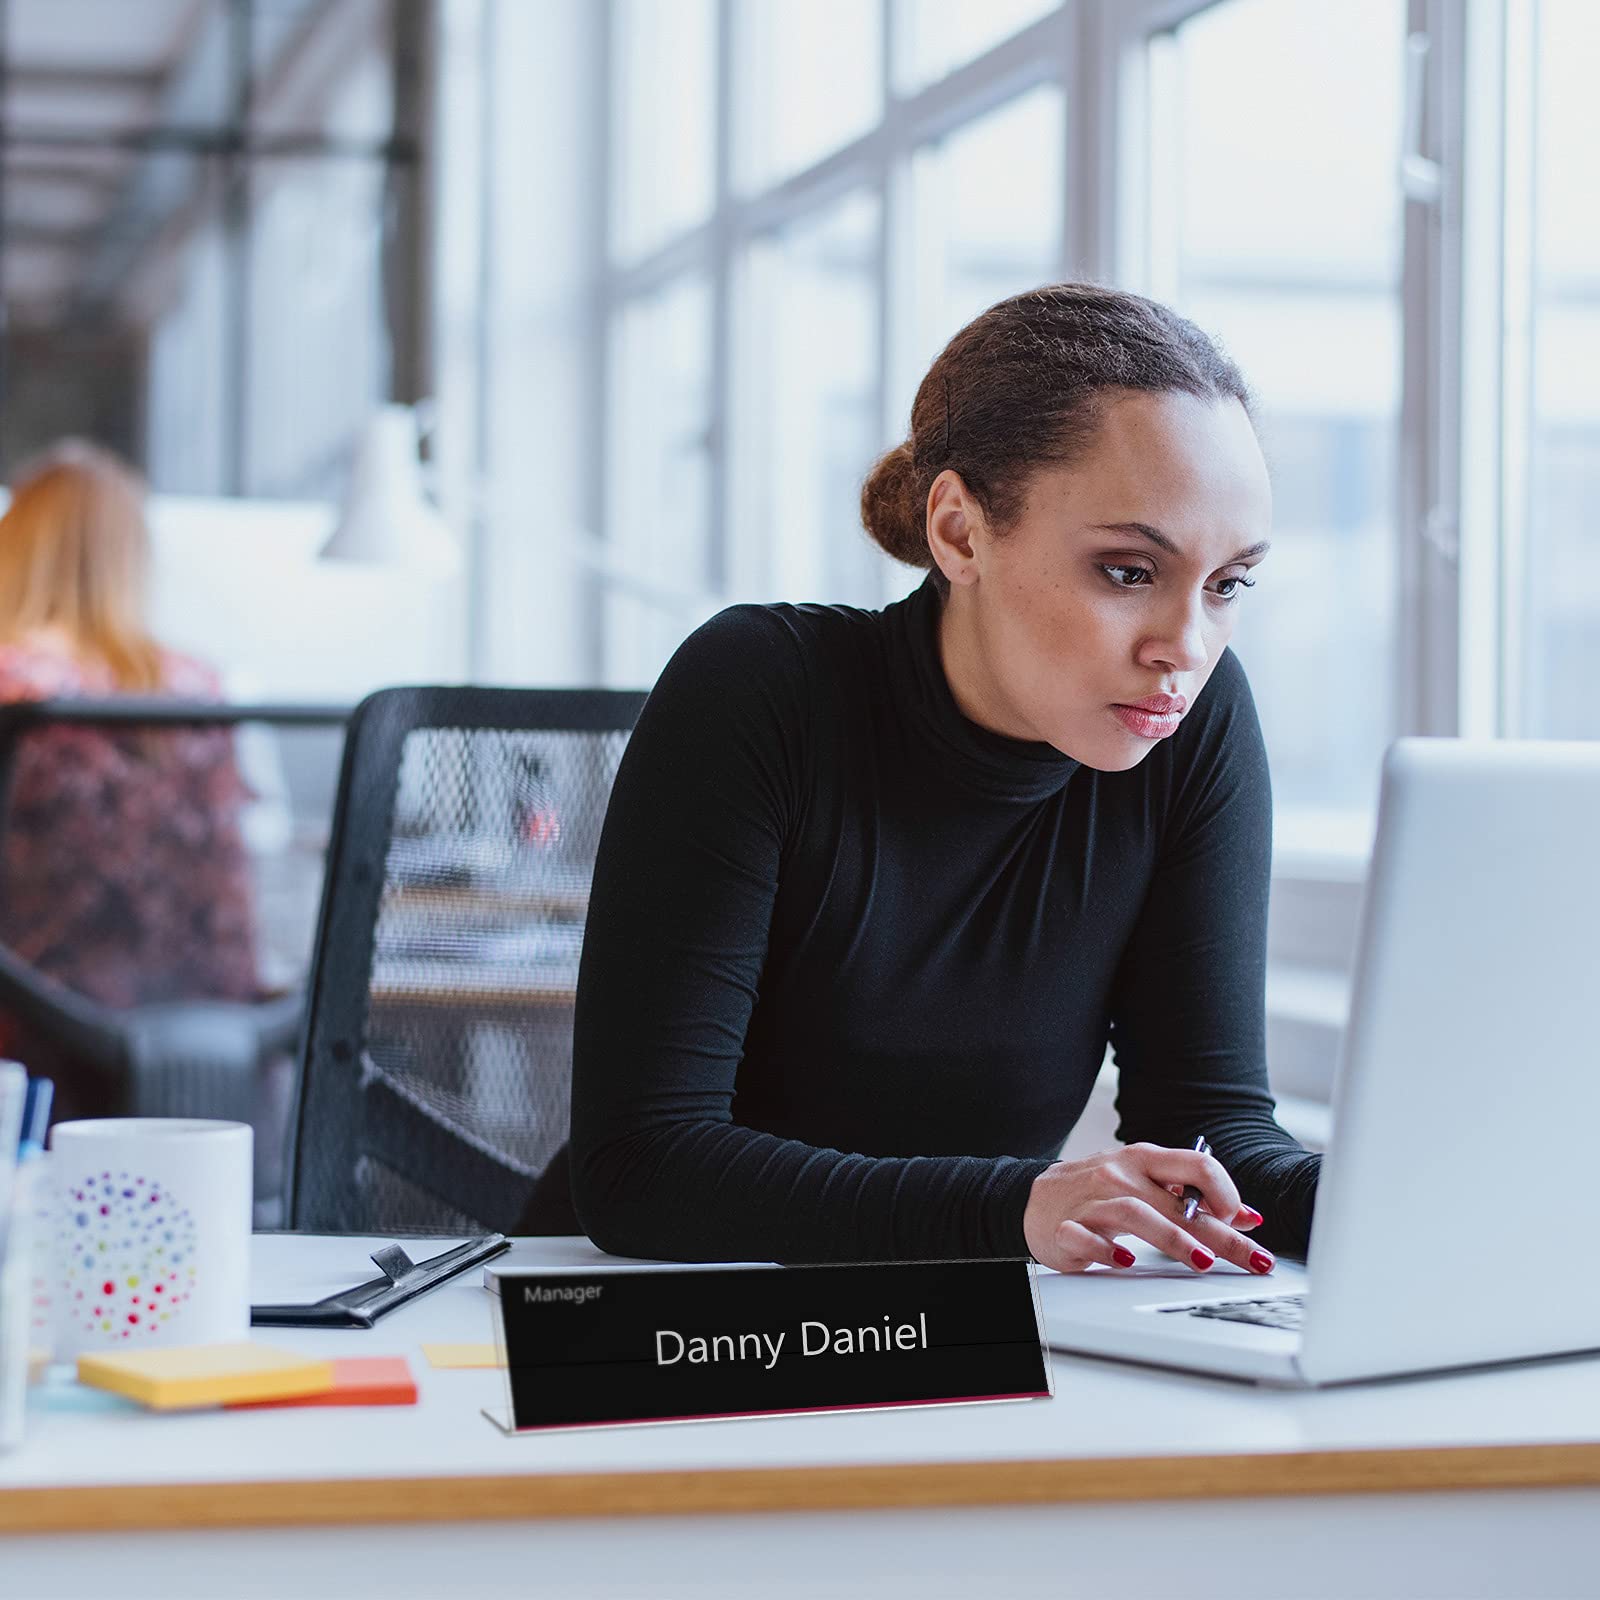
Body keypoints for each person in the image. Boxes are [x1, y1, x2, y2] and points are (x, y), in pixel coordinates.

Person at [568, 283, 1322, 1275]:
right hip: (673, 1324)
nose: (1185, 648)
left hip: (958, 1333)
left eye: (1226, 585)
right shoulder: (759, 692)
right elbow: (640, 1169)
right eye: (1129, 572)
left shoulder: (1194, 729)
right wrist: (1016, 1206)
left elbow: (1211, 1132)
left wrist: (1423, 1192)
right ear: (960, 532)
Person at [0, 439, 259, 1118]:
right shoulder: (199, 688)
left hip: (25, 1057)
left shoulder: (9, 679)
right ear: (131, 557)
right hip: (202, 1056)